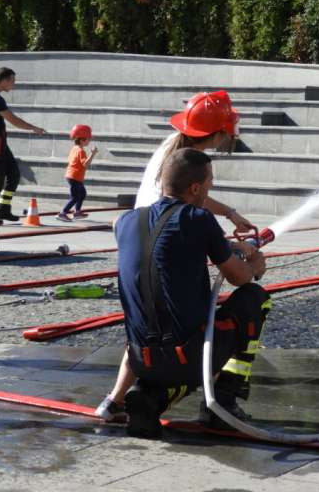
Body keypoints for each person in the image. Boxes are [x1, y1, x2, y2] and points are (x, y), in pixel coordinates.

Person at [95, 89, 257, 422]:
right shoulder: (190, 185)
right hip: (166, 252)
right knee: (205, 318)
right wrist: (247, 258)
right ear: (215, 132)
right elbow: (191, 209)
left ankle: (116, 400)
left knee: (148, 324)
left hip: (140, 245)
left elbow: (184, 197)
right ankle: (221, 400)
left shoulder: (175, 152)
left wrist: (228, 215)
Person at [116, 148, 271, 439]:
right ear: (196, 187)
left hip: (139, 358)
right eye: (210, 183)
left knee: (168, 344)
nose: (210, 189)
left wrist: (226, 246)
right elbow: (238, 278)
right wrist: (255, 265)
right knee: (254, 298)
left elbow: (165, 245)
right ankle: (223, 402)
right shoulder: (198, 219)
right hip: (185, 357)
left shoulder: (125, 221)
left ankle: (149, 398)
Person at [0, 67, 45, 222]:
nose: (13, 85)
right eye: (12, 81)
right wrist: (33, 128)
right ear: (4, 80)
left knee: (13, 174)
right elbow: (13, 120)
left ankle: (3, 209)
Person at [58, 124, 98, 222]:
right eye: (88, 139)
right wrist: (92, 154)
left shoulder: (74, 148)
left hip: (74, 176)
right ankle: (63, 213)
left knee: (82, 194)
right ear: (81, 139)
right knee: (75, 197)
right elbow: (85, 164)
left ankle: (77, 212)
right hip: (74, 176)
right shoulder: (81, 151)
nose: (89, 141)